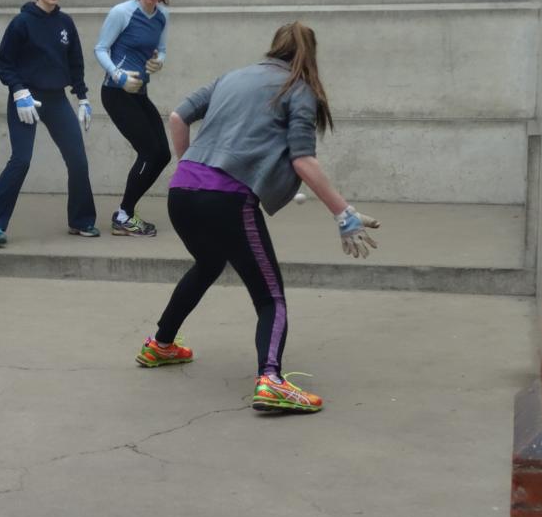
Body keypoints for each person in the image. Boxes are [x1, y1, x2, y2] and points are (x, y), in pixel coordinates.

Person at [135, 22, 379, 414]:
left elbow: (178, 117)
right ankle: (271, 380)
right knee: (271, 298)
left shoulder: (233, 76)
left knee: (208, 264)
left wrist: (189, 166)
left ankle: (160, 345)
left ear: (274, 47)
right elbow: (303, 160)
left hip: (182, 193)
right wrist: (342, 213)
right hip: (228, 198)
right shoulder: (298, 89)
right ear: (309, 56)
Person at [0, 0, 97, 246]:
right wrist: (19, 92)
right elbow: (5, 63)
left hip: (56, 98)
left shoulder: (65, 23)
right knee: (21, 160)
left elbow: (75, 63)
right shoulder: (21, 23)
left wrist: (82, 98)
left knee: (78, 159)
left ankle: (81, 220)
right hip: (26, 100)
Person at [94, 0, 172, 237]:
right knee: (149, 150)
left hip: (139, 93)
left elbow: (160, 49)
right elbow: (100, 49)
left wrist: (158, 62)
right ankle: (124, 214)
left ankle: (126, 213)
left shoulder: (162, 15)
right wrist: (119, 76)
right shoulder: (122, 13)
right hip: (115, 93)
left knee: (163, 153)